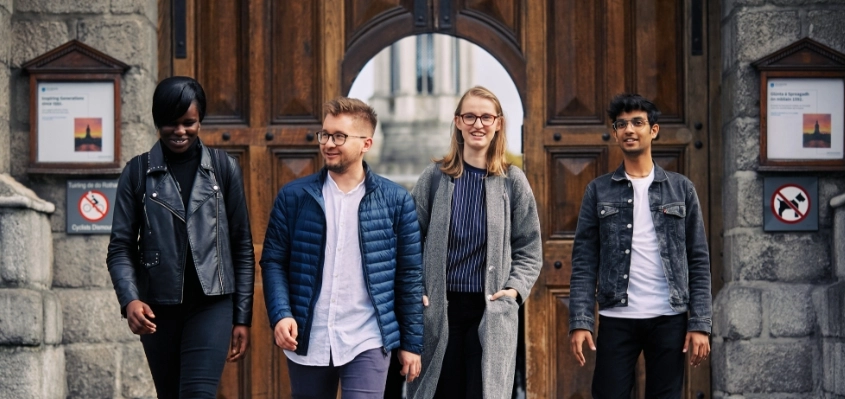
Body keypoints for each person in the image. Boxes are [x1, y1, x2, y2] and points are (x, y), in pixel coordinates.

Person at [260, 97, 424, 399]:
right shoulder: (293, 196)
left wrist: (411, 344)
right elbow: (273, 262)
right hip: (308, 336)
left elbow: (410, 275)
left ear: (366, 144)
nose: (328, 144)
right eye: (325, 134)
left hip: (368, 337)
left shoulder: (396, 201)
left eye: (339, 136)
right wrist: (281, 314)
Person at [106, 76, 255, 398]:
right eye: (170, 123)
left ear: (200, 121)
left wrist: (243, 316)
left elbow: (242, 247)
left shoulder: (223, 168)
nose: (180, 131)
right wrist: (130, 300)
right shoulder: (137, 172)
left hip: (212, 304)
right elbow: (120, 248)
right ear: (157, 122)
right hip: (157, 308)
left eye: (189, 122)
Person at [568, 94, 712, 398]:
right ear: (615, 133)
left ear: (653, 130)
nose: (629, 130)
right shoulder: (598, 190)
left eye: (637, 122)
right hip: (617, 318)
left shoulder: (681, 189)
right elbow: (584, 261)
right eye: (621, 124)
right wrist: (580, 321)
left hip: (669, 318)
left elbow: (698, 259)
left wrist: (700, 323)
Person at [405, 86, 542, 399]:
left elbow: (530, 247)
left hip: (491, 310)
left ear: (498, 123)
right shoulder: (434, 178)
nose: (478, 124)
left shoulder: (512, 181)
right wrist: (416, 289)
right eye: (470, 116)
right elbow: (408, 241)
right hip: (440, 311)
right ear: (458, 122)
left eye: (486, 117)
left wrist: (514, 290)